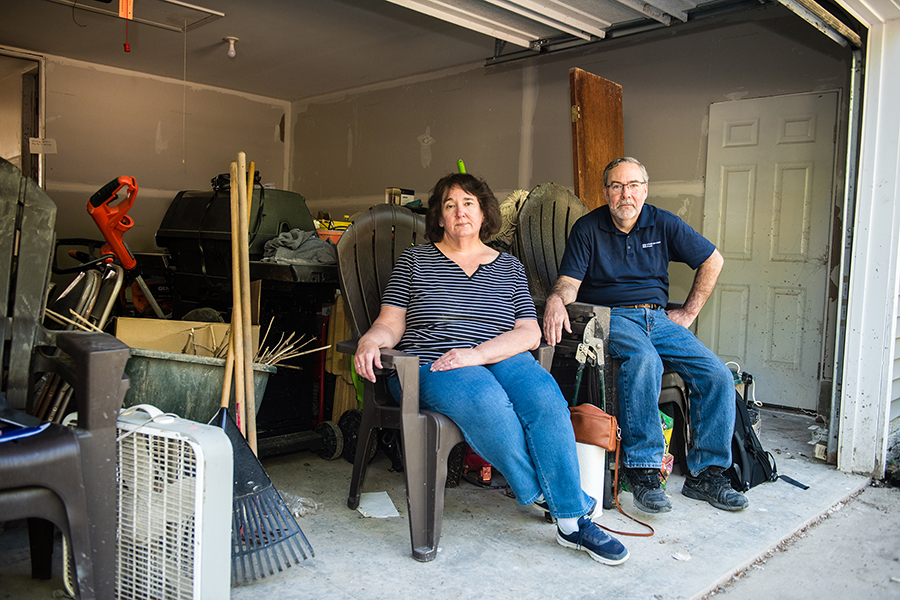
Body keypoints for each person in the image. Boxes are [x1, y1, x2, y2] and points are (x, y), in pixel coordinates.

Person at [353, 172, 629, 566]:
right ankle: (548, 496)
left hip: (495, 356)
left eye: (468, 203)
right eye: (450, 206)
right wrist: (370, 339)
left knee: (547, 399)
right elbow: (391, 322)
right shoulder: (415, 260)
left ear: (483, 213)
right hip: (432, 362)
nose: (460, 212)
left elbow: (529, 333)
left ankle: (571, 524)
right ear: (440, 218)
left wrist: (476, 353)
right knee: (486, 399)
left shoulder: (509, 267)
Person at [543, 157, 748, 514]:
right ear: (606, 192)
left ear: (645, 189)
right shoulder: (587, 228)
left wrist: (688, 313)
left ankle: (708, 475)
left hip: (659, 318)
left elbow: (713, 260)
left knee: (716, 373)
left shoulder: (663, 223)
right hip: (612, 317)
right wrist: (556, 301)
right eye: (617, 186)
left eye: (634, 185)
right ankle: (644, 472)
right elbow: (569, 283)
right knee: (644, 360)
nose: (626, 194)